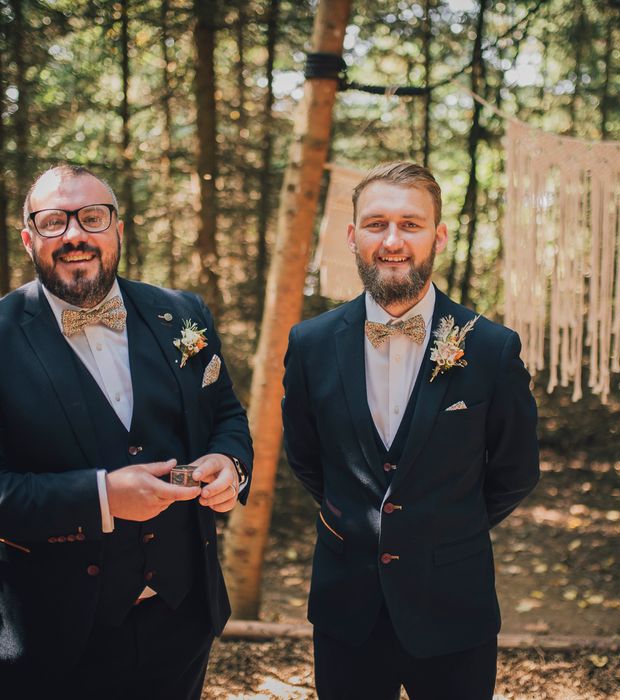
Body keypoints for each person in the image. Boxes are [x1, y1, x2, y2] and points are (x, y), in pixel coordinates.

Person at [282, 161, 540, 700]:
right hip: (346, 606)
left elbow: (515, 470)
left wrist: (444, 527)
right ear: (352, 236)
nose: (392, 240)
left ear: (438, 236)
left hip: (453, 604)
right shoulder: (310, 343)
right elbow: (307, 457)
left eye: (411, 224)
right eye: (376, 224)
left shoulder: (492, 348)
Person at [0, 164, 253, 699]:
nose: (74, 234)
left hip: (181, 621)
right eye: (53, 222)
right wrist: (102, 497)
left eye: (92, 217)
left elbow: (226, 415)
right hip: (52, 635)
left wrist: (230, 464)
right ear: (28, 239)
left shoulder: (182, 313)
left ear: (118, 229)